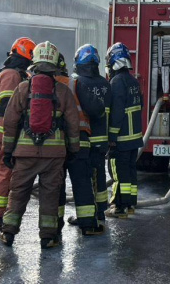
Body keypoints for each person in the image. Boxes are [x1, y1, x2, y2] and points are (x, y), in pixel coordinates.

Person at [0, 41, 80, 249]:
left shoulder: (22, 89)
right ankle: (47, 237)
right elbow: (72, 125)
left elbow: (9, 122)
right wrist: (72, 150)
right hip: (54, 157)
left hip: (24, 155)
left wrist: (8, 151)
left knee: (17, 194)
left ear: (34, 63)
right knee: (50, 197)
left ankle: (8, 233)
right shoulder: (63, 92)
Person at [0, 37, 35, 230]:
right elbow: (9, 107)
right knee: (5, 173)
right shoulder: (11, 75)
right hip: (2, 131)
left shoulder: (18, 74)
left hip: (6, 130)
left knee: (9, 173)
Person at [54, 53, 104, 236]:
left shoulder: (35, 84)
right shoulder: (74, 83)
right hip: (80, 141)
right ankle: (88, 225)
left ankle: (54, 225)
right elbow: (95, 109)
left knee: (55, 184)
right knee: (82, 182)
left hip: (53, 144)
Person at [67, 44, 112, 224]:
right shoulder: (105, 83)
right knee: (99, 176)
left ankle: (87, 215)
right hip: (103, 139)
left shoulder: (79, 83)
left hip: (86, 139)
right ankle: (101, 211)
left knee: (85, 178)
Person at [104, 42, 143, 218]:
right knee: (130, 172)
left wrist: (111, 136)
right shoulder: (133, 81)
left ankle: (118, 208)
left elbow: (117, 112)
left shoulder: (116, 82)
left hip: (121, 139)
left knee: (118, 173)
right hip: (134, 139)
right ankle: (130, 205)